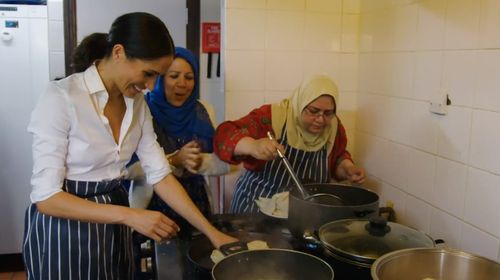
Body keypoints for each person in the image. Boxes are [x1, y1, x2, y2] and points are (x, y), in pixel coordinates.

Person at [22, 12, 235, 280]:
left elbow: (159, 174)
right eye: (148, 74)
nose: (150, 86)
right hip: (66, 230)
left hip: (115, 225)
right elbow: (47, 198)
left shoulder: (137, 106)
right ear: (119, 52)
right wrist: (130, 216)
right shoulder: (61, 98)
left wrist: (212, 232)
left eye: (157, 76)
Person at [214, 74, 366, 213]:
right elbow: (224, 135)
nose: (321, 119)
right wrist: (253, 146)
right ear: (301, 102)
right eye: (313, 111)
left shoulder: (334, 128)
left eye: (328, 113)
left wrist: (347, 168)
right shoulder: (270, 117)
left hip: (303, 213)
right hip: (257, 208)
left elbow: (336, 157)